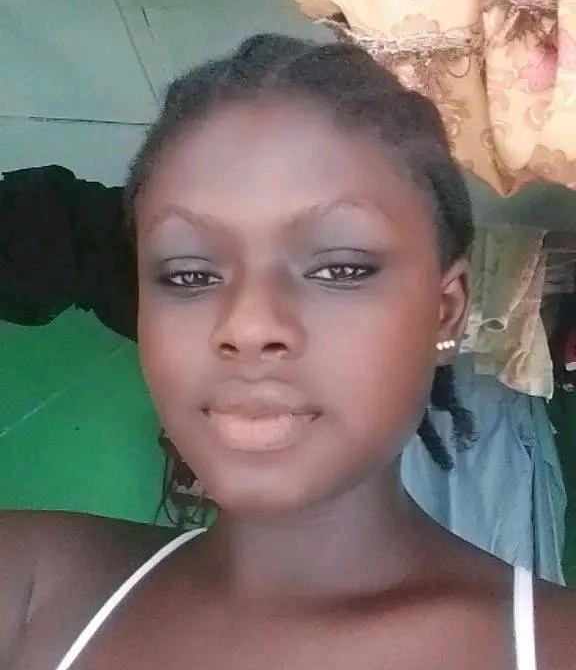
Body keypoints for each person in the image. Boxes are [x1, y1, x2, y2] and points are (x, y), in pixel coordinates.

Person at [1, 34, 575, 670]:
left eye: (339, 269)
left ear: (444, 311)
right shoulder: (28, 592)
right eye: (189, 274)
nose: (247, 326)